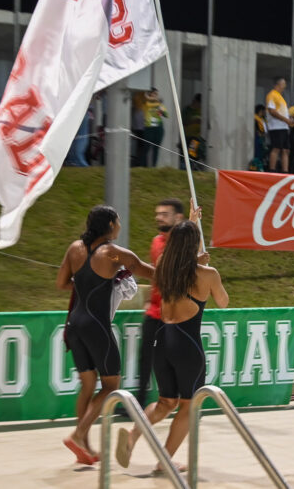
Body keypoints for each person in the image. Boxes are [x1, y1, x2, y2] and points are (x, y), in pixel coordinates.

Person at [115, 213, 227, 474]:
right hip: (187, 346)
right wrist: (209, 271)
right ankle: (165, 461)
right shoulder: (207, 274)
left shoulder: (164, 264)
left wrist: (191, 224)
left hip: (161, 340)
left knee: (166, 402)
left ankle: (132, 436)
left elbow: (181, 257)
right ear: (195, 245)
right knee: (189, 406)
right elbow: (223, 302)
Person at [56, 205, 155, 466]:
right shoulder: (113, 253)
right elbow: (149, 272)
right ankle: (78, 435)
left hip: (74, 325)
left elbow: (62, 283)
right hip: (96, 327)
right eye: (118, 221)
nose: (120, 225)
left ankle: (85, 446)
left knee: (87, 386)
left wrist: (87, 282)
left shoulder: (75, 248)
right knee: (111, 386)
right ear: (110, 225)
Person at [136, 199, 187, 409]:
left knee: (176, 360)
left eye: (164, 214)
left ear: (178, 217)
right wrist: (149, 300)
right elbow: (154, 274)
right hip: (155, 311)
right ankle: (138, 403)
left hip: (175, 313)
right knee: (145, 357)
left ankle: (187, 404)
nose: (159, 218)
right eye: (158, 214)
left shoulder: (185, 245)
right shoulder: (156, 241)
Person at [265, 77, 294, 173]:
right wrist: (286, 120)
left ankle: (285, 171)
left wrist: (289, 120)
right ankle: (272, 170)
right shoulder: (272, 95)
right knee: (276, 148)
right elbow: (272, 111)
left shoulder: (280, 97)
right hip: (276, 127)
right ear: (278, 84)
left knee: (286, 150)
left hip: (284, 127)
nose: (285, 86)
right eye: (283, 84)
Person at [142, 88, 168, 167]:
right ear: (150, 94)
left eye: (157, 94)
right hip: (149, 128)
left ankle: (154, 166)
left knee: (156, 149)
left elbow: (166, 115)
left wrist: (161, 111)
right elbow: (147, 104)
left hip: (158, 128)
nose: (156, 96)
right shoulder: (146, 103)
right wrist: (158, 102)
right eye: (154, 94)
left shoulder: (159, 104)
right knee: (146, 148)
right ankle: (144, 167)